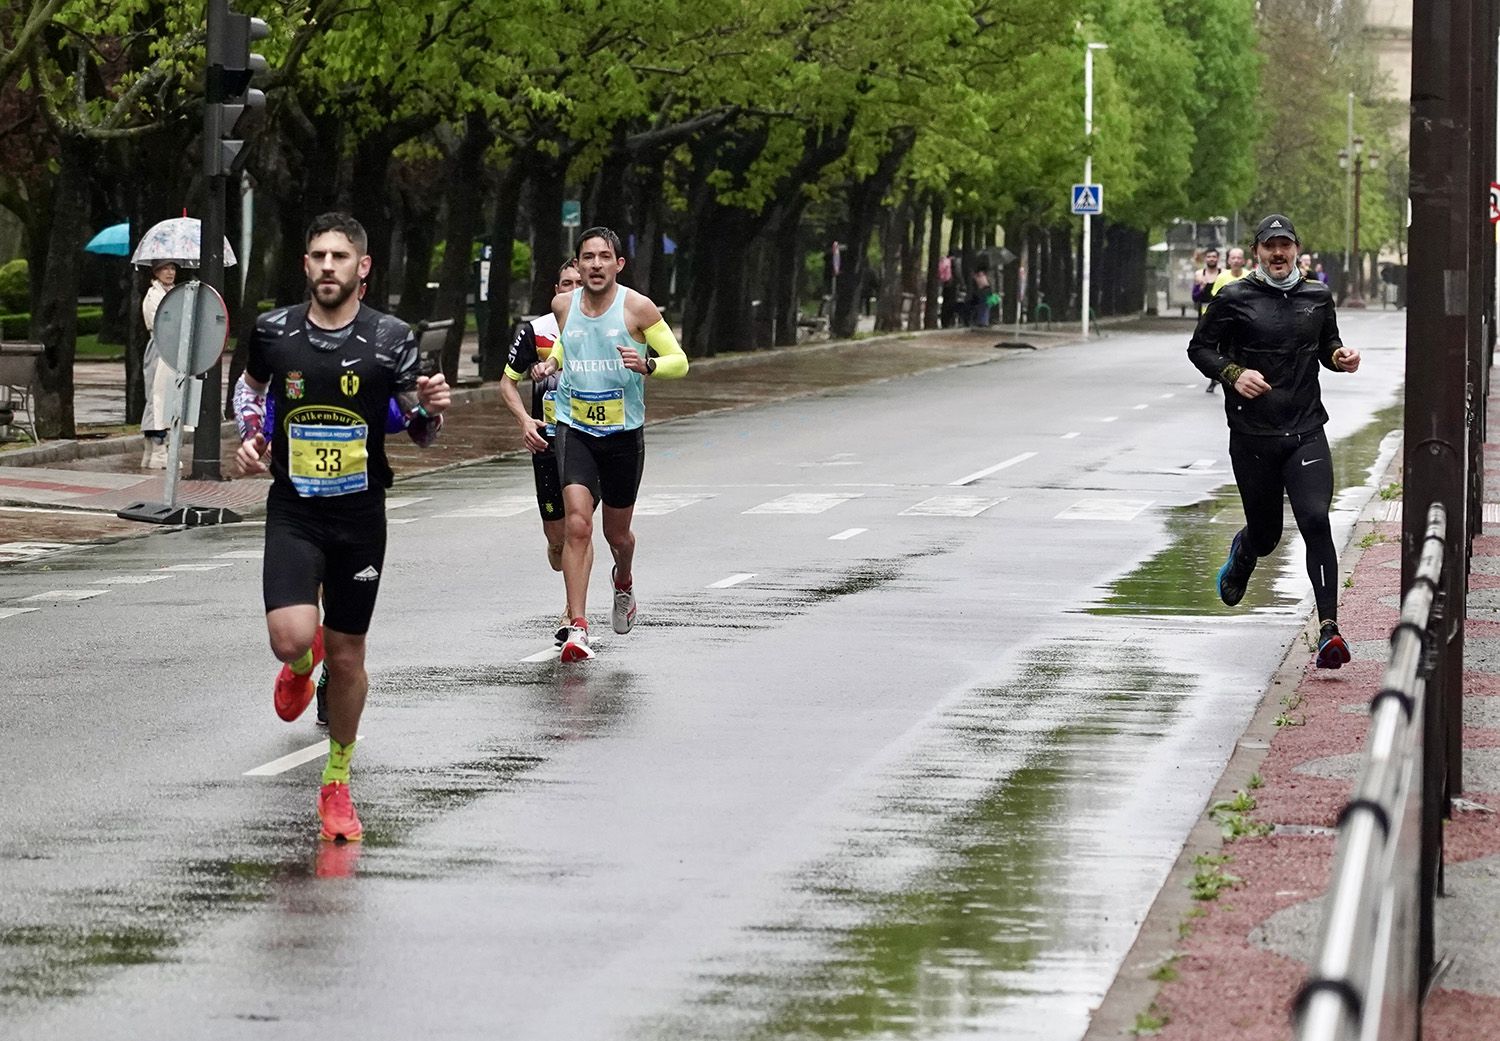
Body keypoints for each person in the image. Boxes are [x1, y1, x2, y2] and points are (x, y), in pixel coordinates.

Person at [233, 212, 451, 842]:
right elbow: (248, 392)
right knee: (289, 635)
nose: (328, 266)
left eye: (339, 257)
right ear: (306, 265)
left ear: (363, 267)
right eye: (317, 256)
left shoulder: (391, 339)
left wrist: (433, 412)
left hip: (359, 517)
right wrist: (250, 438)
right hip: (295, 509)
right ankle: (303, 662)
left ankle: (337, 781)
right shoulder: (274, 331)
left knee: (351, 654)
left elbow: (422, 433)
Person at [1188, 213, 1361, 669]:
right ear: (1258, 251)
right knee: (1266, 536)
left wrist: (1339, 357)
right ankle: (1244, 551)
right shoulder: (1234, 298)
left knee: (1315, 517)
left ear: (1296, 249)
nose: (1279, 254)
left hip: (1305, 430)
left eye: (1286, 245)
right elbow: (1200, 349)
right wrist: (1233, 373)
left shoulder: (1317, 296)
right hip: (1253, 436)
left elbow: (1328, 346)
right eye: (1270, 247)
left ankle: (1329, 631)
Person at [537, 226, 689, 661]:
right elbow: (570, 346)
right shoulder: (563, 305)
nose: (596, 265)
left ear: (618, 264)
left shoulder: (637, 307)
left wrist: (647, 364)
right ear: (578, 264)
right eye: (588, 257)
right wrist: (552, 362)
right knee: (578, 524)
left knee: (616, 534)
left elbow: (680, 362)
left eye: (605, 257)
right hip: (574, 429)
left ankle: (623, 579)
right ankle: (577, 627)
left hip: (622, 436)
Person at [498, 259, 594, 636]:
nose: (571, 290)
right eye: (565, 283)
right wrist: (525, 420)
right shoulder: (536, 332)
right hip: (547, 444)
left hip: (587, 442)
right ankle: (561, 563)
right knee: (558, 540)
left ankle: (574, 612)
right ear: (556, 291)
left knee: (579, 527)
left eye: (578, 283)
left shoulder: (601, 328)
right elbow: (507, 383)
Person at [140, 261, 178, 469]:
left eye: (172, 268)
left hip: (173, 350)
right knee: (157, 398)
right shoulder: (153, 296)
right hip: (160, 348)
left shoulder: (175, 294)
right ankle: (158, 450)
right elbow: (161, 323)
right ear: (156, 272)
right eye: (165, 268)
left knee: (168, 399)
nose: (170, 272)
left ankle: (152, 451)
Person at [1202, 247, 1250, 393]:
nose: (1236, 260)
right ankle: (1216, 378)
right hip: (1226, 321)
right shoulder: (1222, 277)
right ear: (1229, 260)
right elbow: (1215, 298)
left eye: (1239, 258)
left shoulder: (1250, 276)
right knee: (1220, 350)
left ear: (1243, 260)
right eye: (1233, 258)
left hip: (1245, 322)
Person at [1191, 248, 1221, 317]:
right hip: (1204, 314)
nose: (1211, 259)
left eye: (1214, 257)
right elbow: (1194, 298)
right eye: (1209, 257)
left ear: (1218, 258)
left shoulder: (1223, 273)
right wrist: (1201, 288)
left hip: (1220, 313)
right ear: (1205, 258)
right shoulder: (1199, 274)